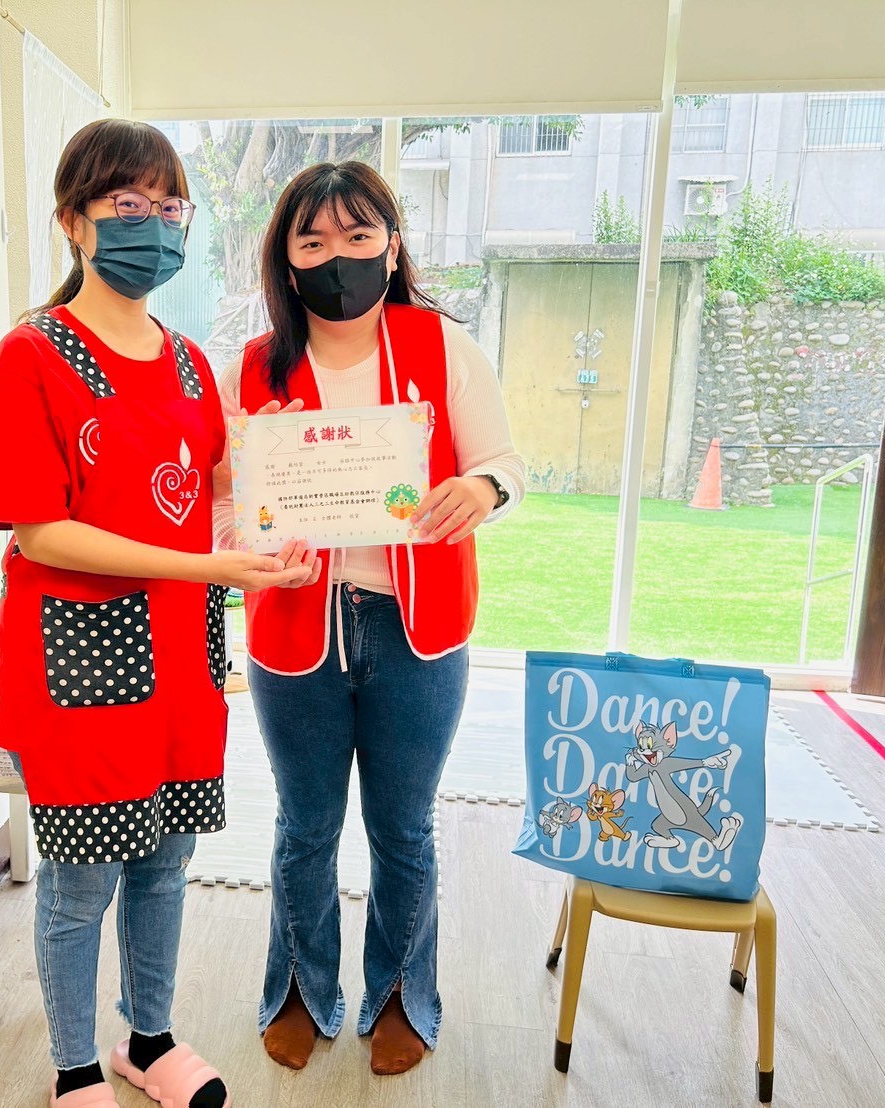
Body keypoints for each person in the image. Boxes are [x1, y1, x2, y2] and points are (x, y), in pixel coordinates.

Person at [0, 118, 309, 1108]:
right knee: (81, 881)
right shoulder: (30, 355)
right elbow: (41, 531)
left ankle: (150, 1041)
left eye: (170, 208)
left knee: (166, 861)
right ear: (73, 220)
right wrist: (207, 564)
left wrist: (285, 464)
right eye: (128, 204)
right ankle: (74, 1065)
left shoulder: (191, 362)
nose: (153, 225)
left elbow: (205, 483)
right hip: (77, 664)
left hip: (179, 661)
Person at [213, 161, 526, 1076]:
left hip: (416, 627)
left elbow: (505, 463)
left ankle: (399, 994)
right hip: (295, 626)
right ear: (286, 260)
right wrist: (250, 541)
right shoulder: (253, 366)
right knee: (304, 826)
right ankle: (298, 989)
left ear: (392, 248)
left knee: (403, 827)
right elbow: (224, 499)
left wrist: (479, 489)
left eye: (357, 236)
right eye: (312, 242)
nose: (336, 258)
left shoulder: (441, 347)